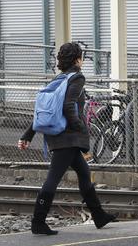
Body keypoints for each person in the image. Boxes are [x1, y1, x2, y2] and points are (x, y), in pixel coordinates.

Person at [18, 42, 116, 235]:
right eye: (81, 57)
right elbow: (69, 107)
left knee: (84, 173)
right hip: (68, 137)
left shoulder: (59, 79)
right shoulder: (76, 78)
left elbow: (44, 111)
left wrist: (27, 135)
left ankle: (99, 216)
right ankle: (38, 221)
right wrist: (82, 129)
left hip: (58, 135)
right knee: (53, 179)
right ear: (77, 59)